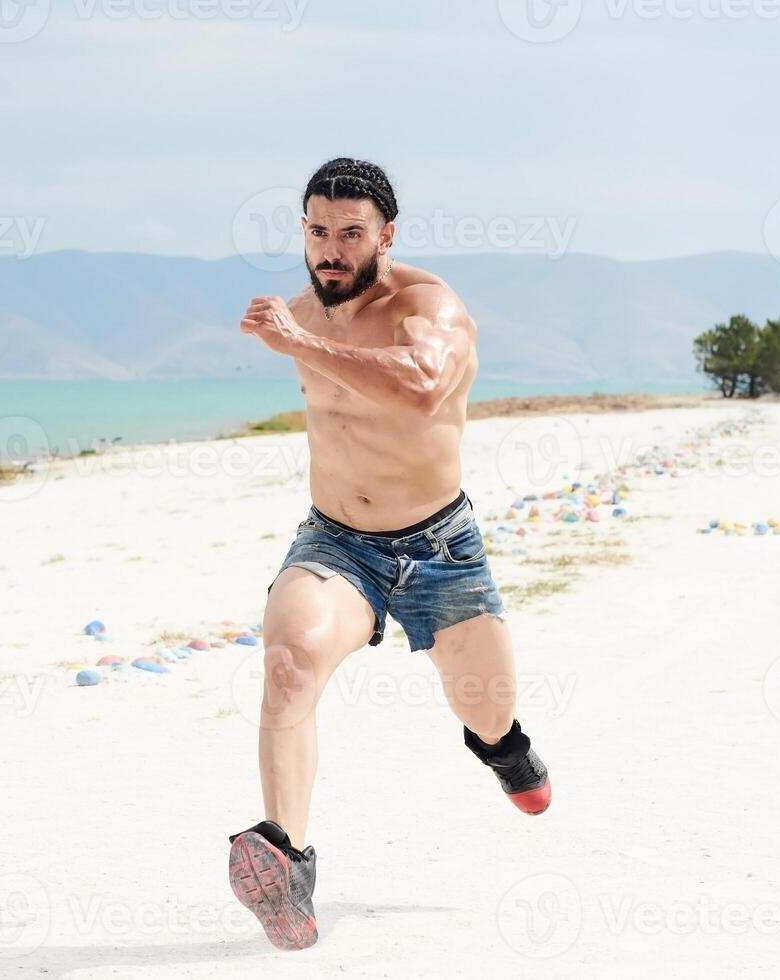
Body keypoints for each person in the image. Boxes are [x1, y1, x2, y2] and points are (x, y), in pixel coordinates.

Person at [228, 158, 551, 952]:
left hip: (441, 548)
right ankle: (287, 861)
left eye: (349, 233)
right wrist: (300, 332)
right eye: (315, 231)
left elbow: (419, 387)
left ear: (386, 236)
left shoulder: (425, 305)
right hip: (338, 543)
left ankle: (505, 750)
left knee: (487, 709)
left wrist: (299, 341)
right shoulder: (302, 312)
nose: (329, 249)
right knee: (288, 662)